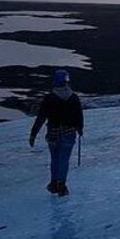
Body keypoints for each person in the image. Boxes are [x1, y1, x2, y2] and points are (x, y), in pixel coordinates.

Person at [29, 69, 84, 197]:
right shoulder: (73, 97)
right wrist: (80, 128)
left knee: (55, 158)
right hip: (69, 133)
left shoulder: (49, 98)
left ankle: (54, 182)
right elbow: (79, 115)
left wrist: (33, 134)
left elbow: (41, 117)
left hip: (53, 133)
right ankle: (61, 184)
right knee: (64, 159)